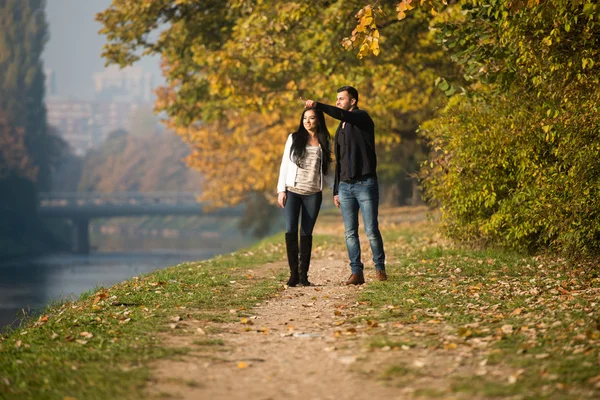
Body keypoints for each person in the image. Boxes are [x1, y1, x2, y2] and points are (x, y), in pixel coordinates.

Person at [303, 86, 386, 285]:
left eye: (341, 98)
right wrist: (336, 189)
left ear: (353, 101)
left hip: (365, 183)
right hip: (346, 187)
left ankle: (380, 268)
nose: (338, 102)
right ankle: (356, 272)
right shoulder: (340, 129)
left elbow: (340, 113)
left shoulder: (362, 118)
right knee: (350, 232)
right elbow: (339, 161)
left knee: (371, 229)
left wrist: (318, 106)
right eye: (337, 99)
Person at [277, 108, 332, 287]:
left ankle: (303, 276)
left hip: (313, 194)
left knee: (306, 233)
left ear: (318, 120)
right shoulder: (294, 138)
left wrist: (336, 190)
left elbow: (327, 170)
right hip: (293, 191)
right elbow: (284, 164)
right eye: (305, 118)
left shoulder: (324, 140)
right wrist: (281, 190)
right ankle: (293, 274)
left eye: (312, 118)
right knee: (291, 230)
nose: (307, 121)